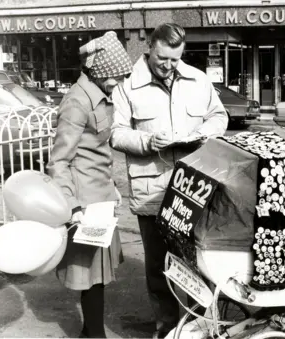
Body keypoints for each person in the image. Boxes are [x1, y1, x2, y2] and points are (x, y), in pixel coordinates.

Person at [110, 23, 228, 338]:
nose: (168, 65)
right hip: (152, 190)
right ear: (149, 48)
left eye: (175, 59)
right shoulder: (127, 87)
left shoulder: (199, 80)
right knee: (158, 266)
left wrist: (203, 133)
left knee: (201, 261)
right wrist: (147, 142)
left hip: (194, 188)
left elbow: (219, 116)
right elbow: (115, 133)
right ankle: (165, 326)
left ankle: (203, 325)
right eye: (162, 58)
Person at [47, 31, 132, 338]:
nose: (118, 83)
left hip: (101, 200)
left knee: (98, 276)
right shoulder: (76, 102)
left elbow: (97, 152)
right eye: (116, 77)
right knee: (90, 276)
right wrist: (72, 205)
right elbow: (59, 161)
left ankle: (90, 332)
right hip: (86, 206)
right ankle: (95, 335)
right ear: (100, 72)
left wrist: (112, 188)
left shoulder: (99, 94)